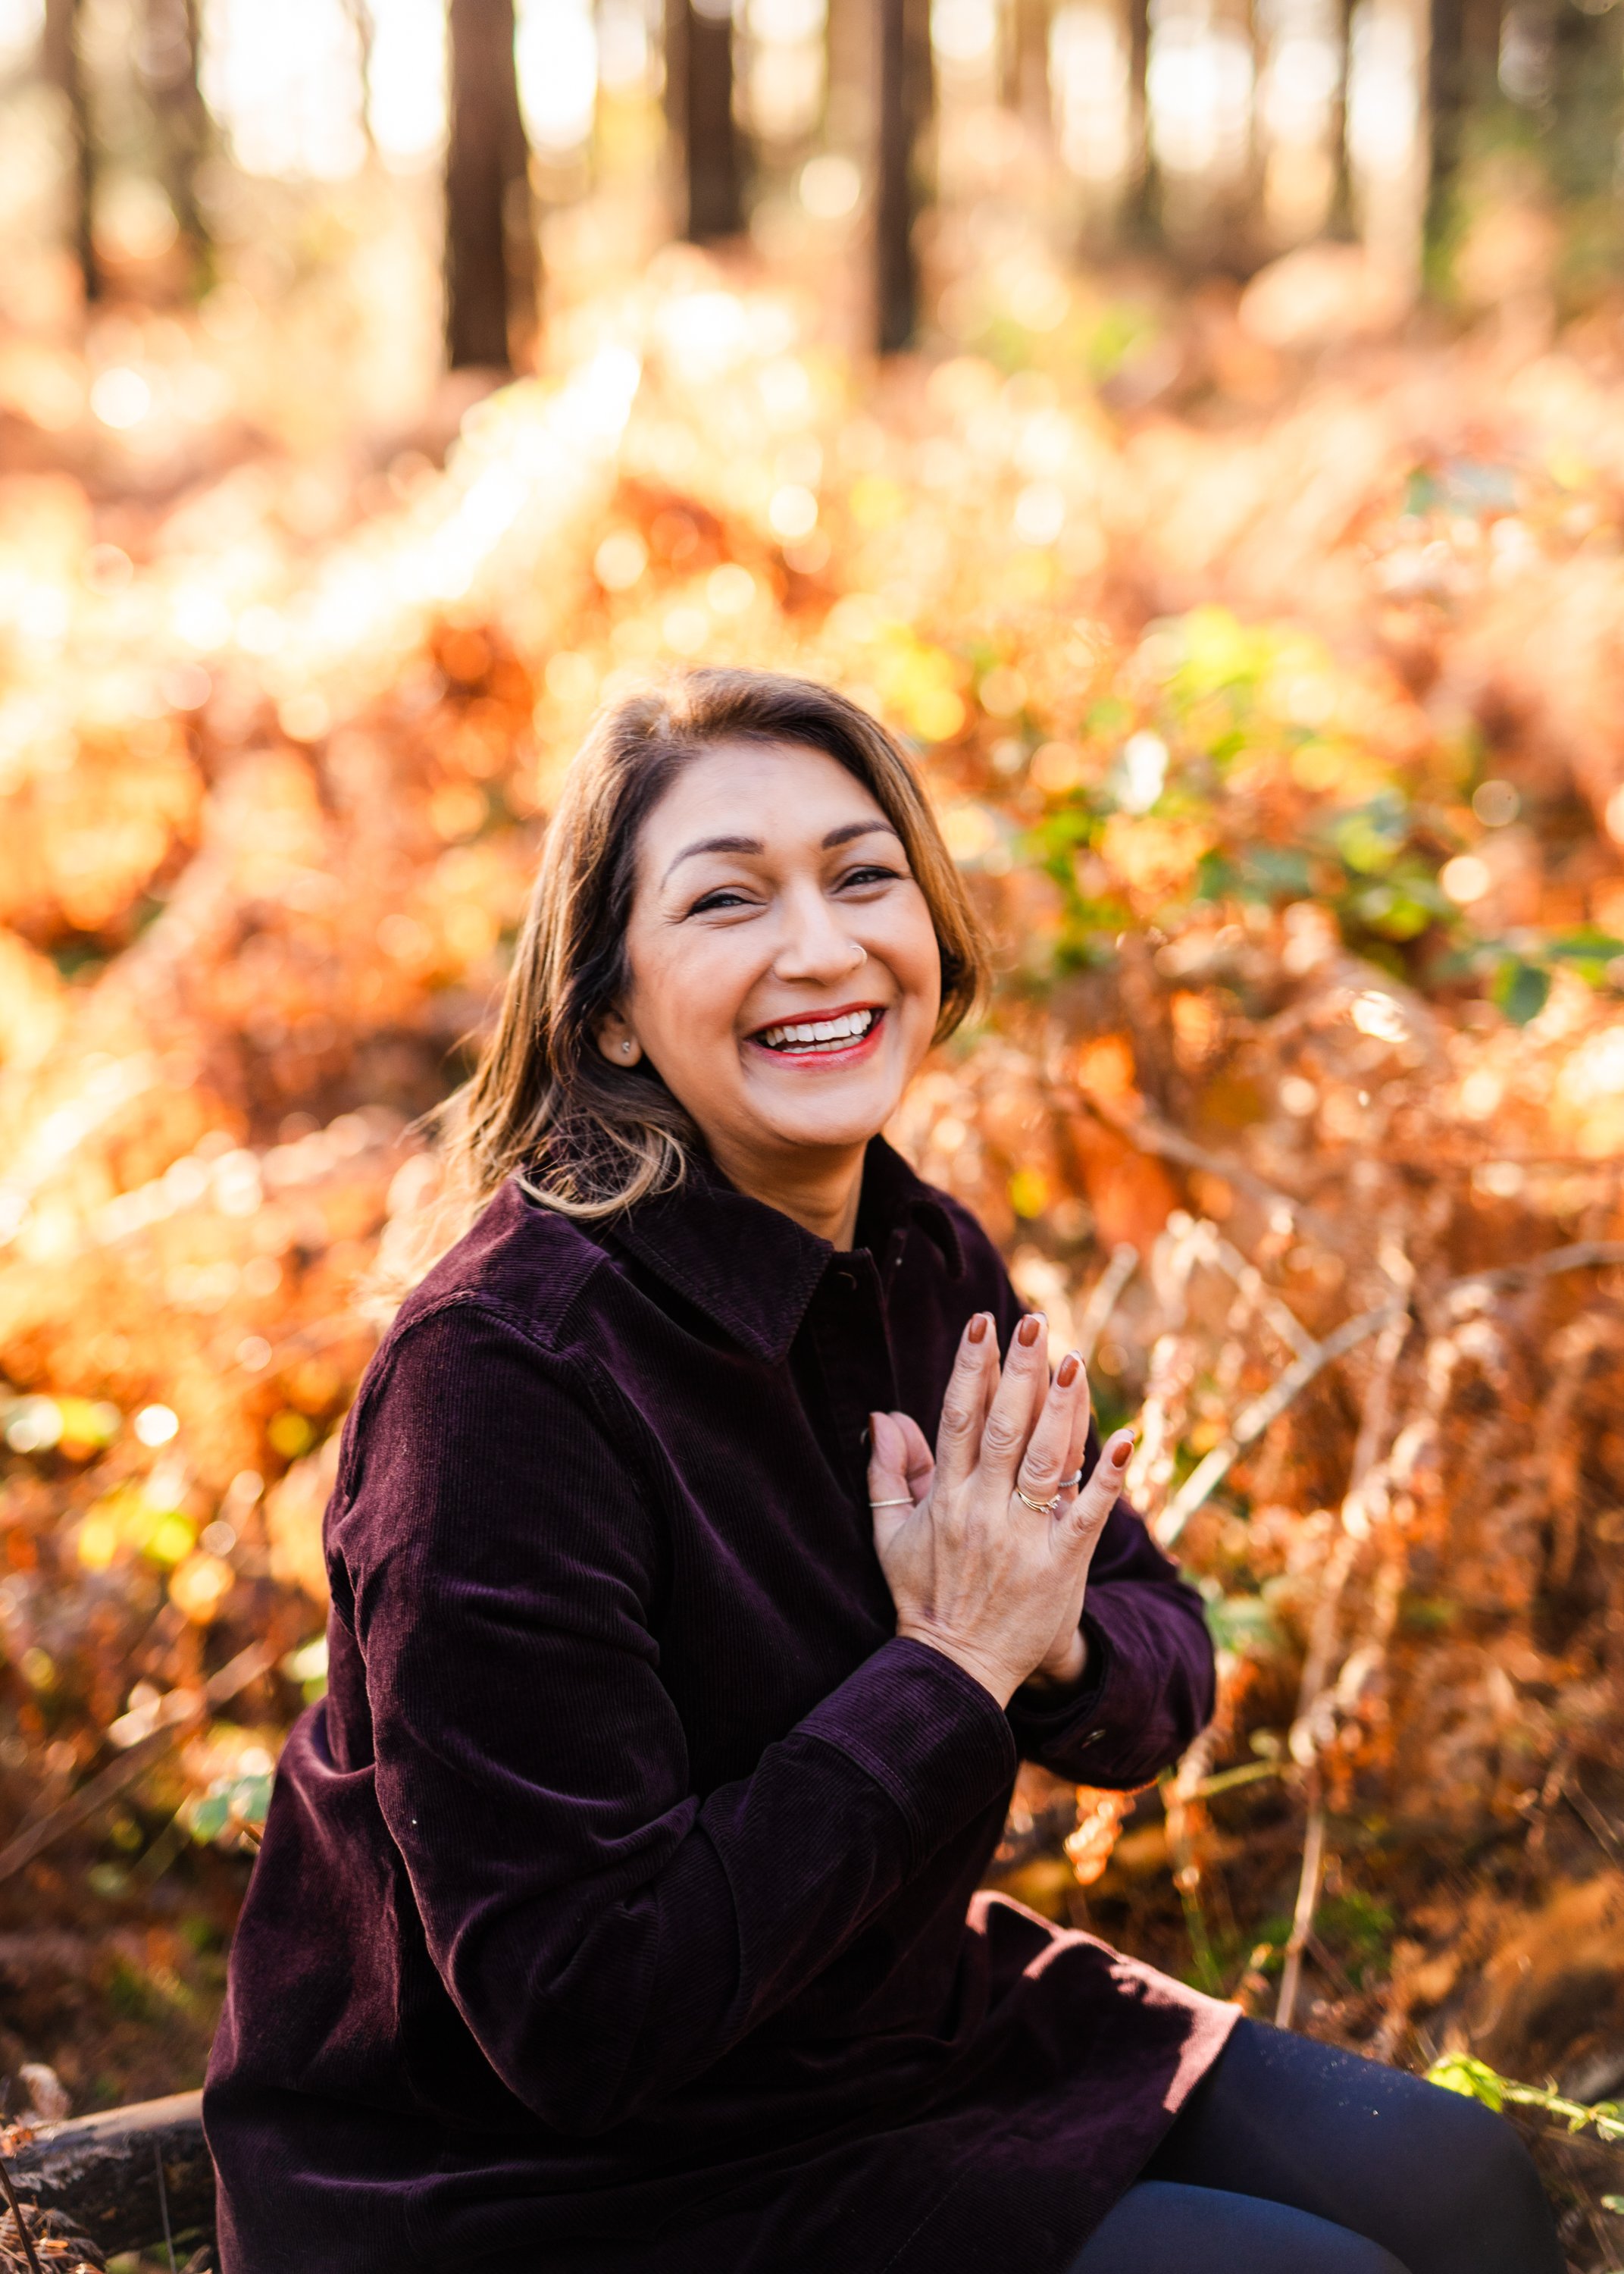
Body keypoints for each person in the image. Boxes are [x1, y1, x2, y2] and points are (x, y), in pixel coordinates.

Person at [204, 669, 1563, 2274]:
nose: (822, 947)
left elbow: (1155, 1653)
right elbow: (578, 2018)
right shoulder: (504, 1379)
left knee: (1459, 2180)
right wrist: (949, 1665)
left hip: (877, 2030)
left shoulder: (916, 1256)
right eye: (728, 900)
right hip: (545, 2184)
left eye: (864, 876)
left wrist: (1041, 1637)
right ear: (609, 1012)